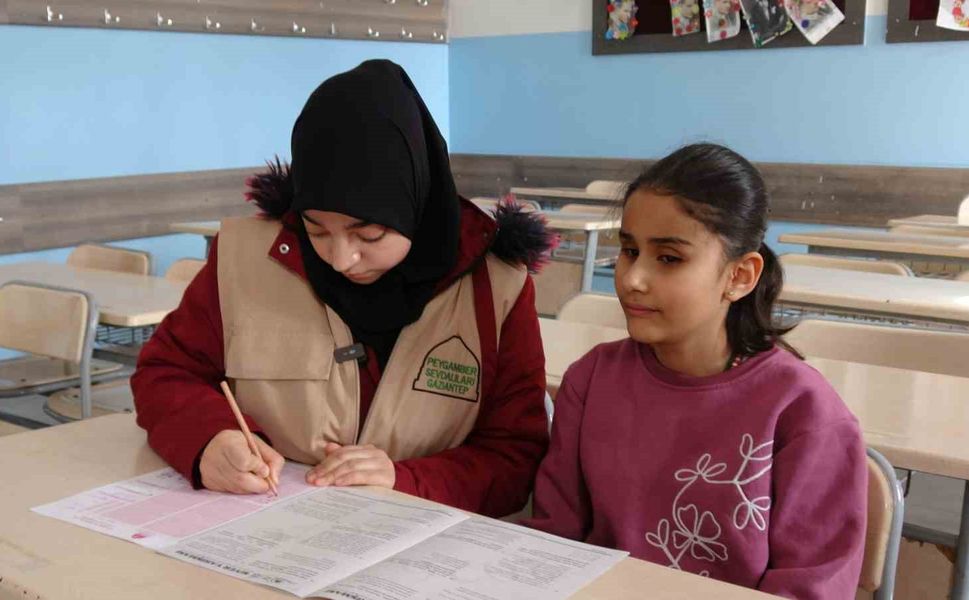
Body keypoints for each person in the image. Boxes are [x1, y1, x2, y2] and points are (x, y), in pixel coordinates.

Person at [133, 60, 554, 518]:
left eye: (369, 235)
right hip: (266, 532)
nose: (340, 258)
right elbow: (165, 373)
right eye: (316, 230)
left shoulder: (495, 288)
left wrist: (405, 480)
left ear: (415, 203)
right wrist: (209, 439)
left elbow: (515, 455)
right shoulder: (246, 258)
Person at [526, 143, 867, 598]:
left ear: (740, 276)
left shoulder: (802, 411)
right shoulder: (591, 380)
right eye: (629, 250)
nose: (632, 279)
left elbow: (810, 587)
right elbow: (554, 546)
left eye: (669, 258)